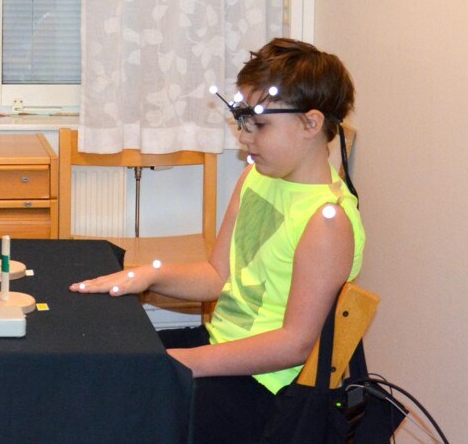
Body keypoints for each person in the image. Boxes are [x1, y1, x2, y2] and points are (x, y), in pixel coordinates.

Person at [70, 38, 365, 443]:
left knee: (125, 401)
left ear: (311, 124)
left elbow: (293, 345)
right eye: (243, 122)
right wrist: (148, 275)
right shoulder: (256, 178)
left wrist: (183, 363)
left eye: (260, 125)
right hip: (221, 345)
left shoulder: (326, 221)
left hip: (267, 387)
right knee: (102, 362)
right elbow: (216, 275)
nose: (245, 138)